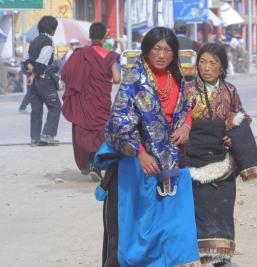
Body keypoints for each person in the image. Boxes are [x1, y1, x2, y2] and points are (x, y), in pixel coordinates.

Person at [92, 27, 201, 267]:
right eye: (156, 49)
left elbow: (186, 108)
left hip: (174, 164)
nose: (162, 55)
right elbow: (119, 123)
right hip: (138, 166)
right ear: (146, 51)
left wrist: (186, 127)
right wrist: (141, 154)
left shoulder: (178, 78)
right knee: (140, 230)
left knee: (176, 228)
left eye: (167, 50)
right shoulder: (133, 79)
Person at [185, 42, 257, 267]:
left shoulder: (230, 91)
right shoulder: (187, 90)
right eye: (202, 62)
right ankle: (195, 258)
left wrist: (233, 136)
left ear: (222, 67)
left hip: (223, 162)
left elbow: (243, 119)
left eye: (212, 63)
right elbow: (179, 122)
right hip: (195, 160)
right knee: (195, 210)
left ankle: (221, 257)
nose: (206, 68)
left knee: (221, 209)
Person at [61, 22, 120, 181]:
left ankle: (87, 163)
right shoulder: (110, 55)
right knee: (100, 132)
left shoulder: (80, 53)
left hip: (84, 100)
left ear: (90, 36)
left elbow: (65, 73)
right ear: (104, 37)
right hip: (101, 101)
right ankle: (96, 163)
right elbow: (117, 79)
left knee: (83, 131)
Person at [23, 16, 61, 146]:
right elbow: (41, 65)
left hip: (33, 82)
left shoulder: (33, 41)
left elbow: (25, 60)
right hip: (44, 79)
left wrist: (31, 74)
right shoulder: (48, 42)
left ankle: (35, 139)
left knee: (36, 109)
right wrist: (34, 74)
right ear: (52, 29)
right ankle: (47, 134)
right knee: (55, 106)